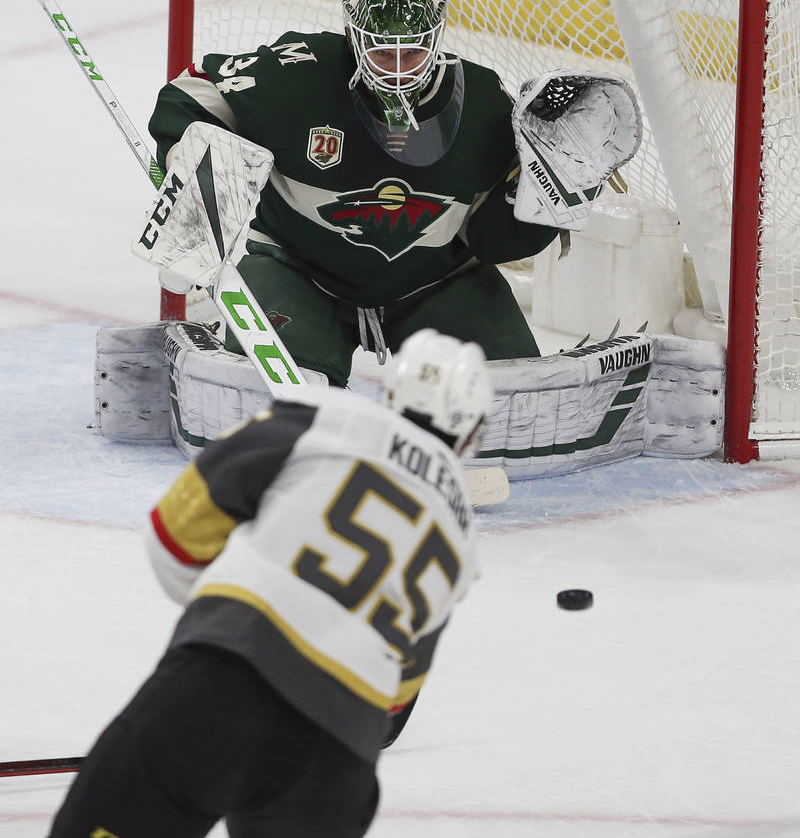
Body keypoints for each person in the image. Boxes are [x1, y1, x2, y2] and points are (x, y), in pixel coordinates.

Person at [49, 329, 492, 838]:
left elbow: (176, 534)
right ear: (471, 430)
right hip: (339, 759)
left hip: (224, 682)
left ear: (390, 390)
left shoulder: (327, 418)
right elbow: (396, 698)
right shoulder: (463, 542)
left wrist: (223, 620)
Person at [148, 0, 560, 386]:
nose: (398, 67)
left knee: (507, 392)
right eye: (382, 50)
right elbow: (193, 90)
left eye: (413, 49)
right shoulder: (297, 73)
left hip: (435, 285)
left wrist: (559, 188)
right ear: (352, 35)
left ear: (437, 37)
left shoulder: (483, 101)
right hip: (299, 274)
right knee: (270, 395)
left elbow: (495, 240)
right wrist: (187, 160)